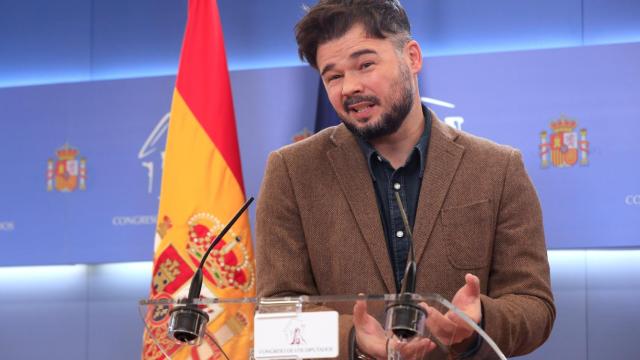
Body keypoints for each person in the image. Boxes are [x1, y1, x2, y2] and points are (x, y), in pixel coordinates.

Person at [255, 0, 555, 358]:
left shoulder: (497, 167)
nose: (349, 87)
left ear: (411, 57)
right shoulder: (292, 171)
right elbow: (275, 312)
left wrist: (479, 321)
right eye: (333, 76)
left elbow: (534, 306)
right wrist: (352, 337)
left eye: (365, 64)